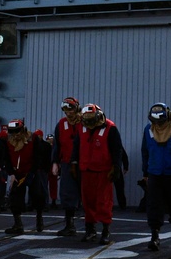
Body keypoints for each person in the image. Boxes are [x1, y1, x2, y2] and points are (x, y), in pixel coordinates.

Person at [71, 103, 123, 244]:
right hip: (86, 170)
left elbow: (117, 149)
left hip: (104, 171)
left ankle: (105, 230)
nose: (88, 122)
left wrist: (116, 167)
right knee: (87, 201)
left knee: (103, 201)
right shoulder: (81, 128)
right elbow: (76, 146)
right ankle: (90, 230)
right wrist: (74, 162)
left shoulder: (110, 128)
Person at [141, 103, 171, 250]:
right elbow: (145, 152)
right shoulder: (148, 130)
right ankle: (154, 237)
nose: (158, 124)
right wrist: (145, 173)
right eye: (155, 121)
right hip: (154, 174)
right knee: (154, 206)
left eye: (160, 121)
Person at [3, 119, 51, 235]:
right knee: (15, 198)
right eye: (12, 132)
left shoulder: (33, 139)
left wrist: (33, 172)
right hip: (17, 173)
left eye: (17, 132)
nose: (15, 135)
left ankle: (39, 218)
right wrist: (11, 173)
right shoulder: (8, 142)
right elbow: (6, 158)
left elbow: (38, 156)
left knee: (37, 195)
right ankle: (18, 224)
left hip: (32, 171)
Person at [51, 97, 82, 236]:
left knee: (88, 194)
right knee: (67, 193)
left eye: (71, 109)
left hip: (84, 163)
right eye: (66, 110)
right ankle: (69, 225)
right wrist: (55, 162)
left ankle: (93, 226)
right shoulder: (61, 124)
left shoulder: (85, 122)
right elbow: (57, 145)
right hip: (67, 162)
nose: (68, 113)